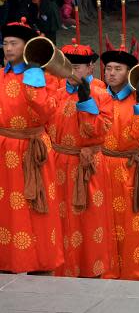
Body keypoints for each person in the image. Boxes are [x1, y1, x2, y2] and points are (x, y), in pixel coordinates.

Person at [0, 19, 62, 274]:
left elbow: (48, 112)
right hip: (3, 148)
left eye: (14, 43)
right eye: (5, 43)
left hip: (32, 149)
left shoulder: (44, 78)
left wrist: (35, 80)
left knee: (36, 204)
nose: (7, 48)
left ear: (27, 46)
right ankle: (6, 260)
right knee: (5, 208)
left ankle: (41, 261)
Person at [50, 42, 114, 278]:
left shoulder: (101, 96)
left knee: (89, 221)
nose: (73, 72)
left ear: (90, 68)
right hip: (57, 165)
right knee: (59, 220)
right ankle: (59, 269)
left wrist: (86, 103)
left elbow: (99, 131)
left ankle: (90, 271)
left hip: (88, 167)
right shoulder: (55, 95)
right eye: (68, 67)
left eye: (78, 67)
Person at [100, 47, 139, 280]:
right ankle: (105, 269)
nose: (112, 73)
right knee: (103, 221)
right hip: (101, 166)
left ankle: (135, 272)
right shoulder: (98, 95)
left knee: (132, 223)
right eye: (108, 69)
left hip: (128, 169)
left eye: (118, 69)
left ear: (128, 73)